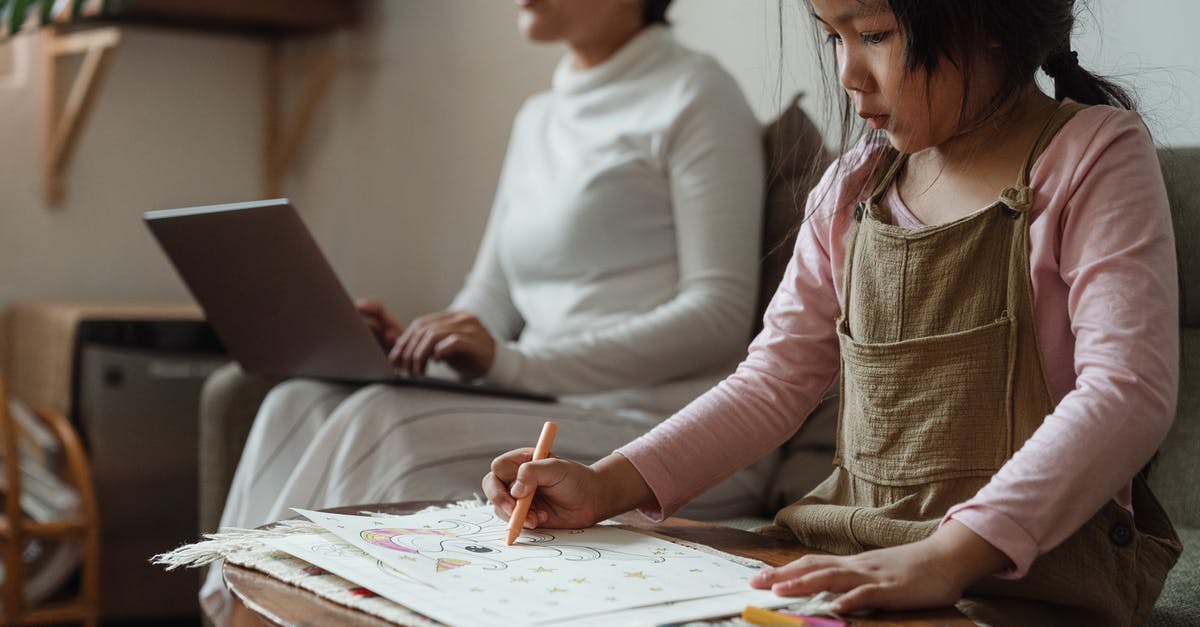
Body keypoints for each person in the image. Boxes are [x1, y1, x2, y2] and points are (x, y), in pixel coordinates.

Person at [483, 0, 1183, 625]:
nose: (849, 72)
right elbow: (770, 385)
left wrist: (946, 554)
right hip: (848, 548)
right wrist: (606, 483)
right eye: (832, 39)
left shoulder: (1095, 154)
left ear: (987, 21)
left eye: (874, 33)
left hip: (1029, 577)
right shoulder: (850, 186)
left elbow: (1127, 393)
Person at [200, 0, 770, 623]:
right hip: (547, 402)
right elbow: (489, 298)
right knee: (297, 400)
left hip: (655, 426)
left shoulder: (697, 93)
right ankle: (238, 612)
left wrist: (516, 363)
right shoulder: (539, 117)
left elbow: (718, 316)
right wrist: (422, 346)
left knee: (382, 424)